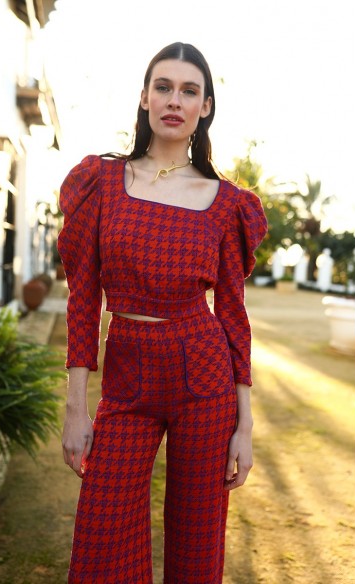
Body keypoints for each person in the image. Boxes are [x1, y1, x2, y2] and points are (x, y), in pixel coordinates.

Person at [57, 41, 268, 584]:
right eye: (164, 87)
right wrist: (76, 408)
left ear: (205, 107)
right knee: (102, 537)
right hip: (127, 379)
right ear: (145, 97)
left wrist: (244, 425)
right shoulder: (101, 182)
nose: (175, 100)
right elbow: (83, 299)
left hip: (204, 378)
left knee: (197, 547)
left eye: (189, 91)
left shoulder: (226, 203)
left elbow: (233, 314)